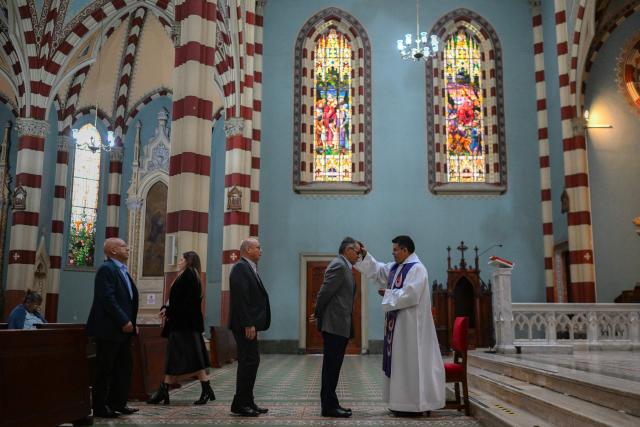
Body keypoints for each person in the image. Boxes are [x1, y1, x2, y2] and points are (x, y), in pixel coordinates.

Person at [356, 235, 445, 416]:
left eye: (396, 249)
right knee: (399, 363)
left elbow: (410, 295)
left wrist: (388, 294)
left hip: (412, 327)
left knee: (411, 363)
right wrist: (365, 256)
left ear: (405, 250)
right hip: (397, 326)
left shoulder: (417, 269)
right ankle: (398, 402)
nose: (393, 252)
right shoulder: (396, 268)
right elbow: (379, 270)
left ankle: (414, 404)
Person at [147, 251, 214, 406]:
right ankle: (204, 389)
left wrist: (169, 310)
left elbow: (186, 303)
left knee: (180, 357)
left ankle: (164, 391)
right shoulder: (187, 275)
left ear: (189, 261)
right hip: (185, 324)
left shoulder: (189, 276)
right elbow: (176, 299)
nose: (179, 261)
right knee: (184, 357)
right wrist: (166, 307)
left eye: (182, 259)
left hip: (184, 325)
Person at [86, 238, 139, 419]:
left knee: (123, 367)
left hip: (123, 329)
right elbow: (107, 298)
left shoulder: (121, 270)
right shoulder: (106, 269)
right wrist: (124, 321)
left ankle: (118, 403)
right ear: (113, 251)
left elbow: (127, 300)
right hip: (109, 329)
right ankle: (100, 407)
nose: (128, 248)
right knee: (105, 368)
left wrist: (133, 322)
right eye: (124, 246)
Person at [312, 237, 360, 418]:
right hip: (334, 325)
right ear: (347, 250)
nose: (358, 255)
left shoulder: (345, 266)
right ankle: (328, 406)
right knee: (331, 367)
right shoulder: (339, 265)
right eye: (356, 251)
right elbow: (325, 292)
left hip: (340, 325)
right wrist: (318, 313)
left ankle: (331, 403)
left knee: (334, 367)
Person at [229, 238, 271, 417]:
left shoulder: (250, 267)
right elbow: (241, 299)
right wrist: (248, 324)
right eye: (258, 247)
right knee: (248, 362)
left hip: (249, 324)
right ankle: (240, 404)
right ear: (247, 249)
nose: (261, 250)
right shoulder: (240, 268)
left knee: (252, 362)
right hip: (244, 325)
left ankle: (247, 400)